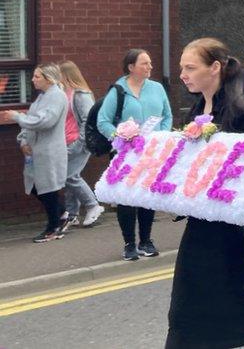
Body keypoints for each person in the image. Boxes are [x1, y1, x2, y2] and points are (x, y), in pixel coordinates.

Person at [166, 38, 244, 349]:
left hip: (228, 227)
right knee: (184, 309)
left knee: (239, 309)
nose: (183, 74)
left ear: (215, 68)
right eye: (182, 67)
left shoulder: (240, 110)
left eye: (190, 67)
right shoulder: (196, 109)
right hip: (200, 222)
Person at [97, 49, 173, 261]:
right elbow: (103, 121)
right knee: (127, 199)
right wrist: (119, 135)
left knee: (146, 197)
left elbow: (167, 115)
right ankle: (129, 243)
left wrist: (161, 136)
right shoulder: (118, 90)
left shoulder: (157, 88)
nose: (150, 67)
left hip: (151, 151)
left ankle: (146, 241)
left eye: (150, 63)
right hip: (126, 154)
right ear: (131, 67)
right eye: (144, 64)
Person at [2, 64, 69, 242]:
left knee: (47, 188)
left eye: (37, 76)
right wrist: (23, 140)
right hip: (35, 152)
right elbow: (31, 121)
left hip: (49, 151)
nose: (33, 80)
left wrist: (17, 116)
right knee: (35, 187)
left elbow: (45, 122)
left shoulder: (57, 96)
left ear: (49, 78)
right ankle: (62, 214)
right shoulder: (41, 98)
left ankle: (53, 227)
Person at [58, 60, 104, 227]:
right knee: (70, 176)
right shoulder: (65, 93)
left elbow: (88, 120)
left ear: (66, 75)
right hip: (67, 141)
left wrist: (80, 143)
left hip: (79, 143)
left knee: (69, 176)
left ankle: (93, 205)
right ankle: (72, 213)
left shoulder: (80, 94)